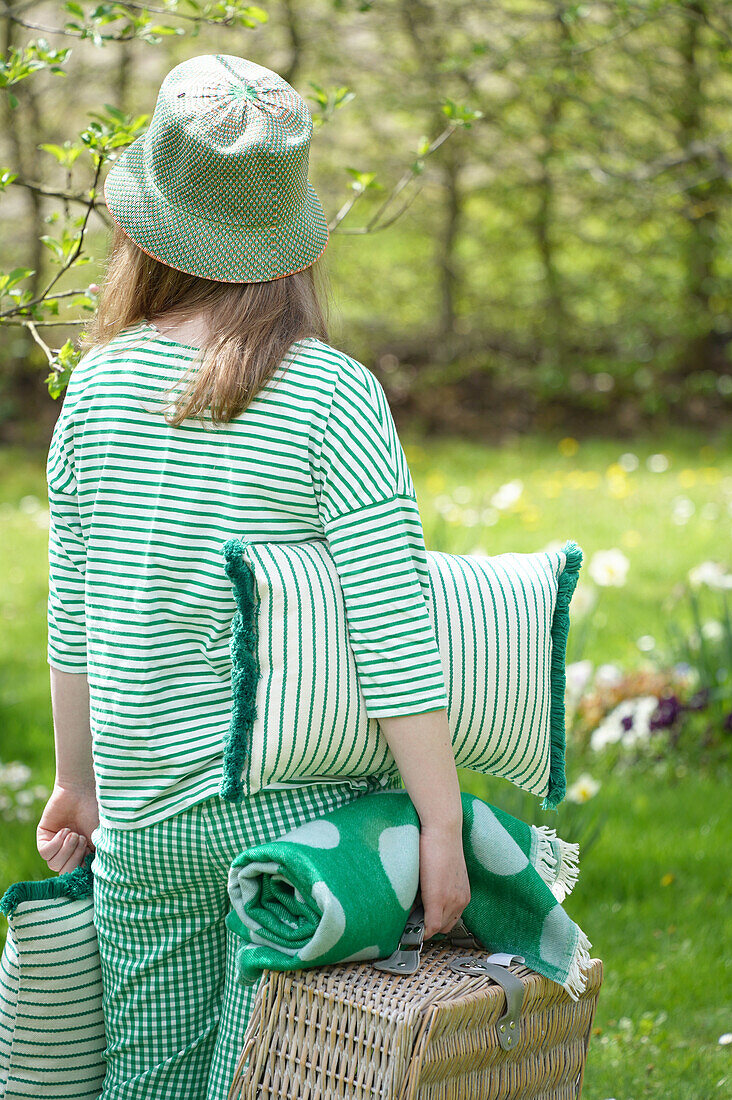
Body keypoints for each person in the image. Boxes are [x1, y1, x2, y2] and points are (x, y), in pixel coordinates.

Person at [36, 53, 470, 1098]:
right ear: (291, 233)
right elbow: (391, 620)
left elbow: (77, 614)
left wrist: (80, 785)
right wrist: (441, 825)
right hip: (298, 812)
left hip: (145, 815)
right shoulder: (332, 394)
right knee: (279, 1075)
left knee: (147, 1074)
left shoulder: (95, 386)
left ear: (143, 222)